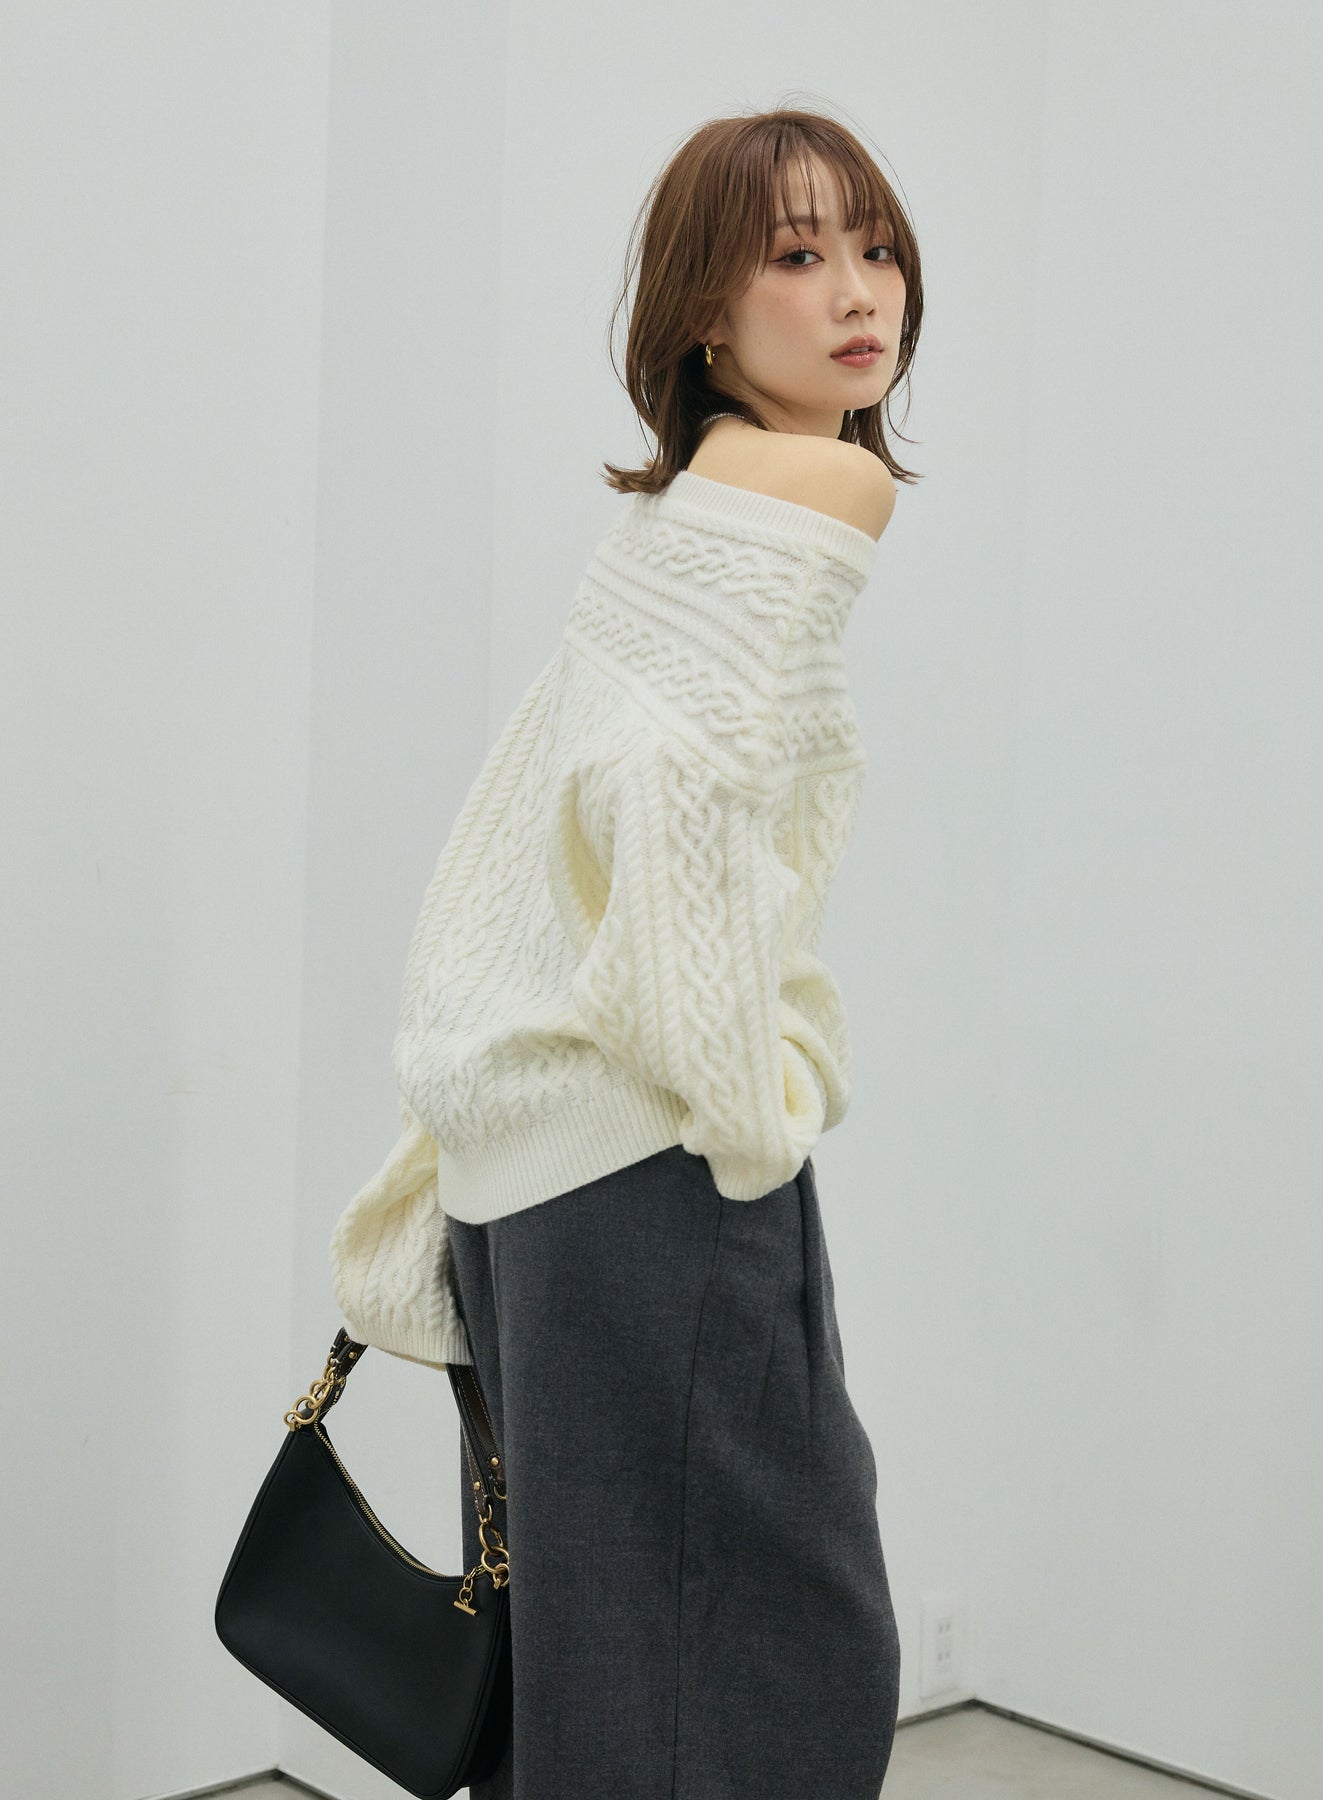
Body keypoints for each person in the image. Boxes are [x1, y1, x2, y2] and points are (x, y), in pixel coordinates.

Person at [329, 103, 924, 1800]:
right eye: (794, 254)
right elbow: (672, 802)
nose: (854, 291)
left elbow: (539, 813)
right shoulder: (823, 481)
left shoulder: (673, 513)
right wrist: (745, 1105)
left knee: (594, 1640)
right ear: (701, 315)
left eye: (875, 246)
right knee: (780, 1631)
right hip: (644, 1161)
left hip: (521, 1157)